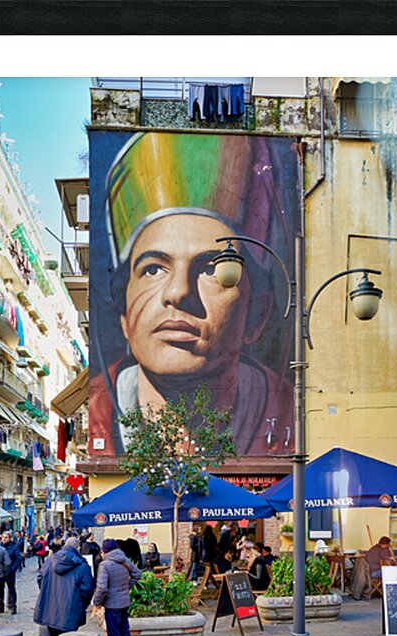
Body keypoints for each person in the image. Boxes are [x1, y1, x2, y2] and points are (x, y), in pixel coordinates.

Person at [88, 131, 296, 458]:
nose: (179, 292)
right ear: (124, 315)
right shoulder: (101, 414)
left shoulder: (288, 415)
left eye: (212, 268)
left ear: (258, 314)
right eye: (153, 268)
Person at [33, 536, 94, 636]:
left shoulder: (50, 560)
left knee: (52, 633)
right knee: (69, 635)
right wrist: (81, 604)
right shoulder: (82, 565)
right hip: (71, 606)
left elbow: (40, 578)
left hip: (51, 605)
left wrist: (47, 593)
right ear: (78, 548)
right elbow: (87, 589)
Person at [92, 538, 142, 636]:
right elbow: (137, 574)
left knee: (113, 633)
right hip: (124, 602)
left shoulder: (105, 565)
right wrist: (126, 587)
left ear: (104, 550)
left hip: (112, 604)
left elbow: (101, 588)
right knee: (125, 631)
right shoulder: (124, 559)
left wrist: (97, 602)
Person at [1, 531, 22, 614]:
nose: (4, 539)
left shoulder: (14, 547)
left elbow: (18, 559)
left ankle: (12, 606)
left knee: (11, 589)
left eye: (6, 537)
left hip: (10, 572)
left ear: (10, 538)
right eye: (3, 537)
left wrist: (13, 569)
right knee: (0, 590)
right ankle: (1, 605)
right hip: (1, 572)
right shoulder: (0, 547)